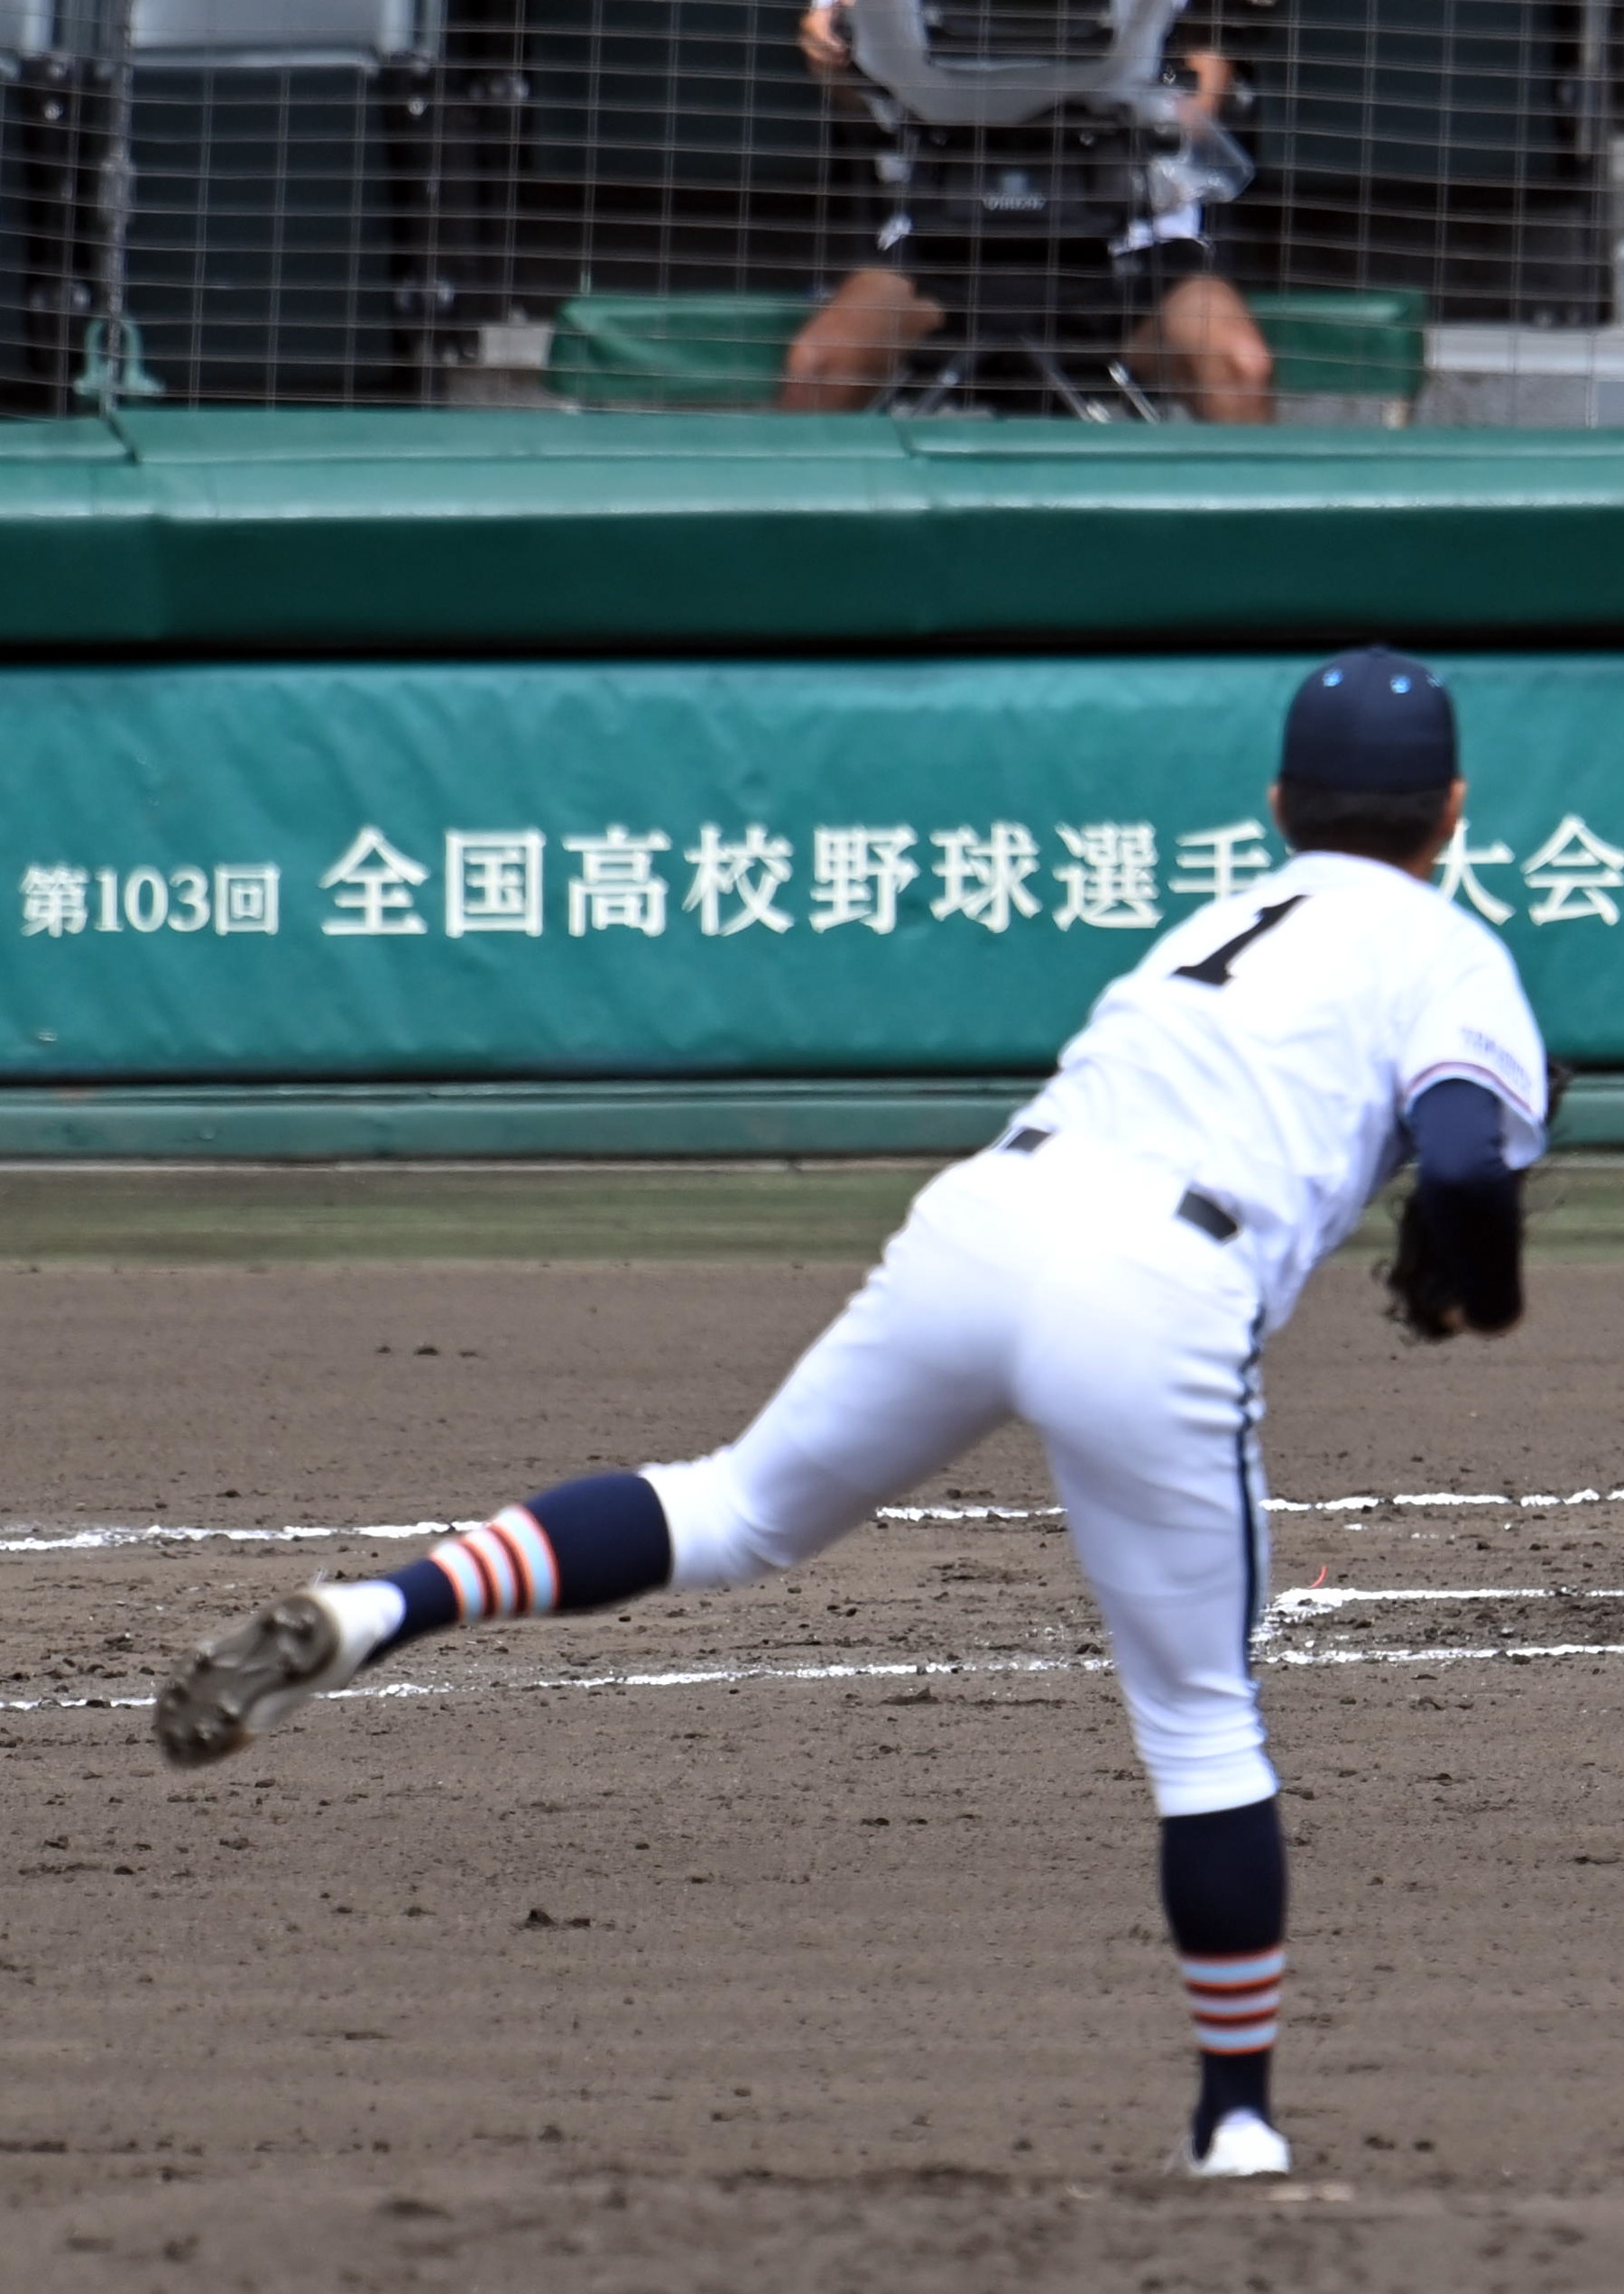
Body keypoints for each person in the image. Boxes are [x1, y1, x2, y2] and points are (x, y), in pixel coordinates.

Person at [150, 650, 1547, 2178]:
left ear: (1280, 804)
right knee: (1202, 1729)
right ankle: (1237, 2126)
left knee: (734, 1505)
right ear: (1453, 811)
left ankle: (377, 1604)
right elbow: (1466, 1158)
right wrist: (1475, 1280)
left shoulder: (1214, 917)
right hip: (1156, 1281)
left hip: (985, 1211)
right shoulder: (1448, 950)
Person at [780, 0, 1276, 421]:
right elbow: (850, 79)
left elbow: (1203, 88)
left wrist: (1127, 93)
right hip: (947, 241)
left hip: (1135, 244)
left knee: (1237, 365)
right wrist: (832, 48)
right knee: (818, 364)